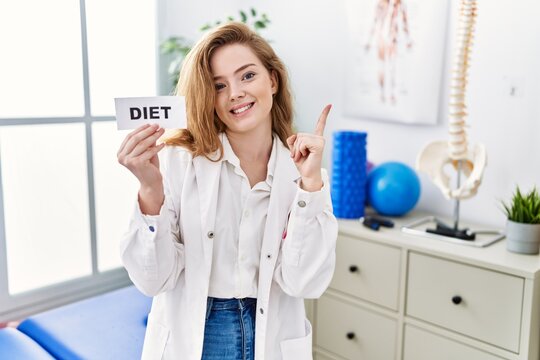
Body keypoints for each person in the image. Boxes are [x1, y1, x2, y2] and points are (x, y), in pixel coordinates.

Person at [117, 22, 337, 360]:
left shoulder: (303, 171)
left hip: (272, 332)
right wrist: (150, 188)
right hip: (198, 333)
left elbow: (303, 283)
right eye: (219, 85)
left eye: (247, 76)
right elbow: (153, 280)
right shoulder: (177, 161)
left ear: (273, 80)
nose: (235, 93)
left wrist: (310, 187)